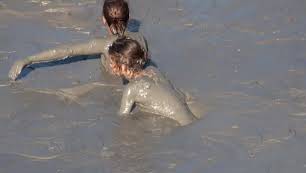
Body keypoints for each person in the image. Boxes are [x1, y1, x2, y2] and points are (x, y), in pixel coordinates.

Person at [8, 0, 148, 81]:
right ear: (128, 18)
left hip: (114, 82)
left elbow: (67, 50)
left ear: (103, 20)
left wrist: (28, 59)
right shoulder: (140, 39)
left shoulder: (104, 44)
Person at [108, 38, 196, 126]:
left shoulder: (132, 88)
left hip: (179, 127)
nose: (110, 65)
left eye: (112, 62)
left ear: (123, 66)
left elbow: (122, 118)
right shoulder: (153, 70)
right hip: (191, 118)